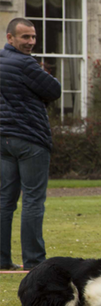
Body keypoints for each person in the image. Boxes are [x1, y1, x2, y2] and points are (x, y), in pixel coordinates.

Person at [1, 17, 62, 271]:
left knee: (4, 200)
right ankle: (34, 261)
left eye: (33, 37)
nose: (31, 42)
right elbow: (54, 89)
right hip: (30, 140)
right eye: (25, 37)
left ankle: (2, 260)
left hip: (3, 139)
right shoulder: (26, 64)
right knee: (33, 200)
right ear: (10, 38)